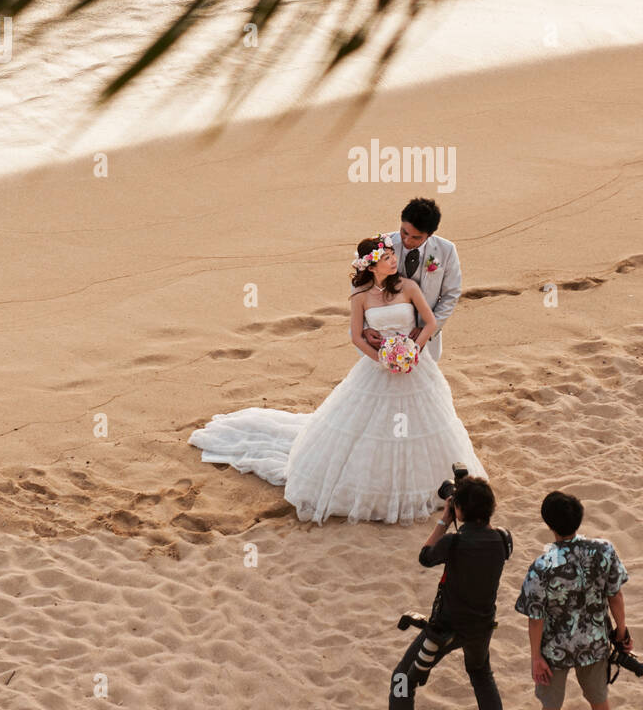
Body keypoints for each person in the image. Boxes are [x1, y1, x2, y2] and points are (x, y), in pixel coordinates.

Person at [189, 234, 485, 524]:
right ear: (371, 266)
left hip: (415, 368)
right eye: (386, 258)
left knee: (426, 425)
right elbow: (357, 337)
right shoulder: (360, 297)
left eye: (392, 255)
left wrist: (413, 351)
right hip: (378, 367)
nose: (393, 260)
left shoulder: (408, 287)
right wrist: (382, 359)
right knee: (371, 427)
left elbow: (430, 321)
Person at [367, 476, 511, 710]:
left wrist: (445, 520)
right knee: (481, 672)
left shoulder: (453, 542)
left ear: (458, 510)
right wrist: (468, 511)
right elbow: (486, 534)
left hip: (444, 629)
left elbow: (425, 556)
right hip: (481, 628)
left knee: (401, 680)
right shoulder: (502, 539)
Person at [515, 491, 630, 710]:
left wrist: (535, 657)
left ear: (548, 523)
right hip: (595, 643)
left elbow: (535, 618)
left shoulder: (542, 567)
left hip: (555, 650)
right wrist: (622, 630)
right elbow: (615, 595)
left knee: (551, 705)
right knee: (599, 701)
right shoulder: (604, 551)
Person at [361, 198, 461, 363]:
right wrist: (365, 328)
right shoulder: (381, 246)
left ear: (430, 235)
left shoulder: (447, 250)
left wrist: (428, 328)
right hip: (382, 335)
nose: (407, 241)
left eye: (416, 237)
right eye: (404, 232)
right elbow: (361, 288)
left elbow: (451, 294)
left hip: (426, 340)